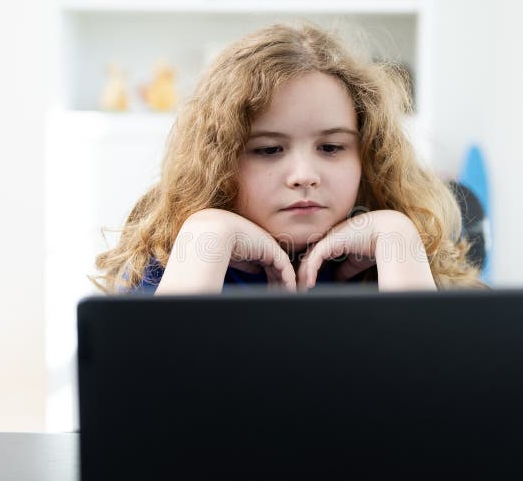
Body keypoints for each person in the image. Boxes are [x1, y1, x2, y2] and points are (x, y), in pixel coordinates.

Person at [92, 22, 483, 295]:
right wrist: (208, 233)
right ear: (219, 161)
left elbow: (430, 403)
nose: (303, 175)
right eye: (268, 150)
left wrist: (396, 235)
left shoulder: (396, 260)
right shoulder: (177, 262)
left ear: (368, 158)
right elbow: (153, 403)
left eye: (331, 148)